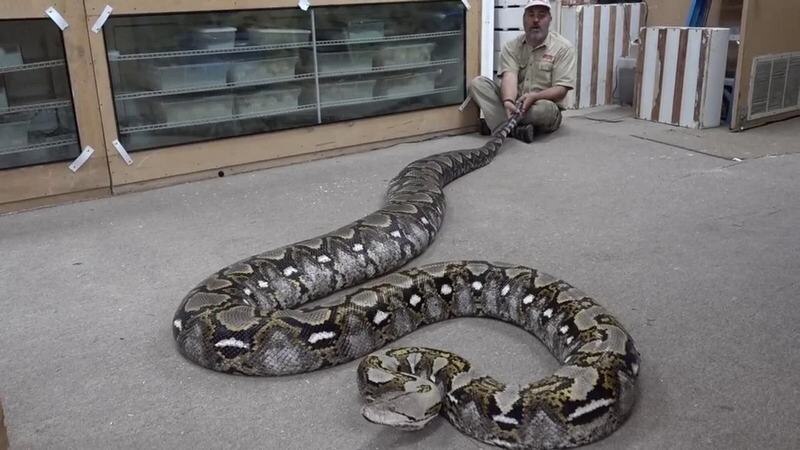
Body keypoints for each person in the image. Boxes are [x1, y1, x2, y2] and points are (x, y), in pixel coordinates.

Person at [469, 0, 577, 143]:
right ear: (523, 19)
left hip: (541, 104)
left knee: (542, 111)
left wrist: (535, 96)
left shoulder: (563, 48)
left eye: (541, 15)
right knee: (477, 84)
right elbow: (509, 76)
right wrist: (508, 101)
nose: (536, 20)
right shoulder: (511, 46)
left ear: (550, 19)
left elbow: (561, 89)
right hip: (516, 103)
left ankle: (498, 124)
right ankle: (516, 130)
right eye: (531, 15)